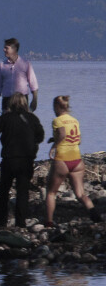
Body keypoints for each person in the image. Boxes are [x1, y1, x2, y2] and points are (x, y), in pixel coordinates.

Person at [0, 93, 45, 228]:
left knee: (3, 190)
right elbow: (40, 136)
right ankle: (21, 222)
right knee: (23, 191)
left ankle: (1, 221)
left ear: (9, 104)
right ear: (25, 103)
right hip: (26, 159)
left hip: (9, 158)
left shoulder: (5, 118)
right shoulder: (32, 118)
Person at [43, 95, 102, 226]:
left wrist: (54, 146)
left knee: (51, 193)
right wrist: (55, 138)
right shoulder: (75, 120)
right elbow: (78, 140)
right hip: (76, 160)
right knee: (81, 194)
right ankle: (95, 217)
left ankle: (49, 222)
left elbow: (63, 134)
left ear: (57, 107)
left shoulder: (57, 120)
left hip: (62, 160)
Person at [0, 37, 39, 113]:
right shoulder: (2, 65)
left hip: (22, 100)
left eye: (6, 48)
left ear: (14, 49)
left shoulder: (26, 64)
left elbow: (33, 84)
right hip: (7, 100)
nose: (4, 50)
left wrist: (34, 100)